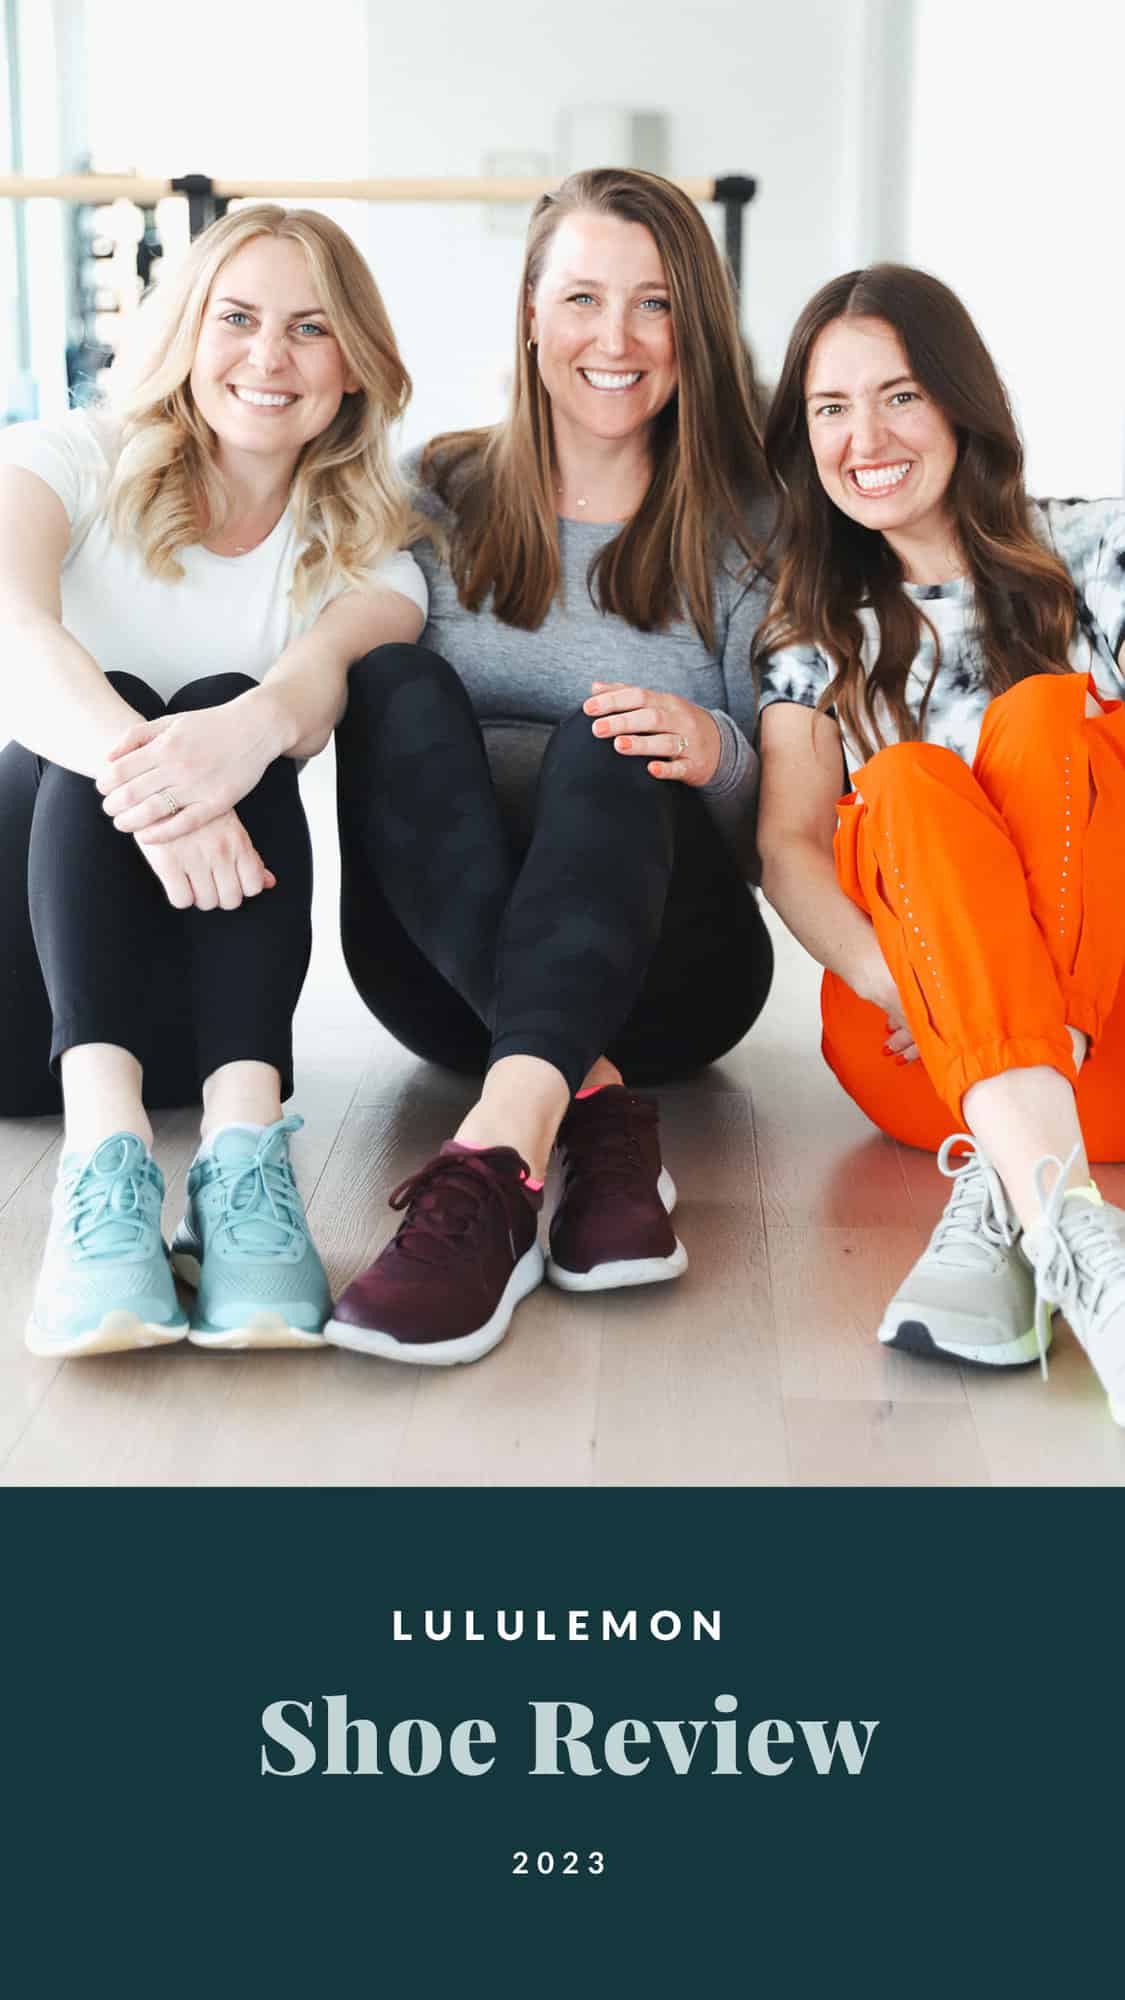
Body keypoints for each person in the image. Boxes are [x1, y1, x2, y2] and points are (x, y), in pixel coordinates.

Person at [328, 166, 775, 1367]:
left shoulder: (751, 529)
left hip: (673, 977)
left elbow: (768, 837)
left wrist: (715, 751)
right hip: (443, 981)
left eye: (654, 304)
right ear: (530, 313)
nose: (615, 339)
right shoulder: (439, 492)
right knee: (386, 679)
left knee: (617, 728)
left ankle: (493, 1164)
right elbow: (381, 742)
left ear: (695, 329)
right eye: (581, 297)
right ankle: (594, 1114)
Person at [0, 205, 427, 1356]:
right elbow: (13, 632)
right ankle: (101, 1166)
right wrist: (156, 776)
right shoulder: (59, 459)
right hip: (16, 990)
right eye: (237, 319)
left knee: (239, 715)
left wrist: (235, 737)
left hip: (194, 1018)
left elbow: (317, 682)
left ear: (355, 363)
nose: (269, 357)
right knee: (126, 705)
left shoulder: (373, 552)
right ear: (187, 330)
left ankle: (242, 1164)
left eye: (310, 328)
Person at [754, 262, 1125, 1423]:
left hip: (1108, 1031)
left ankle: (1019, 1194)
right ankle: (1069, 1218)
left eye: (900, 395)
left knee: (1053, 718)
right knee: (908, 781)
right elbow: (789, 848)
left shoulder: (1097, 550)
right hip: (913, 1049)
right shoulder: (811, 623)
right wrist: (899, 980)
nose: (865, 435)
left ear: (962, 403)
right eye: (830, 408)